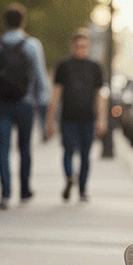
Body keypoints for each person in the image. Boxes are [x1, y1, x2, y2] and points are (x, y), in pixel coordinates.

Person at [0, 3, 50, 210]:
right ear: (23, 21)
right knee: (24, 149)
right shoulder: (32, 45)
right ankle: (24, 190)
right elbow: (40, 77)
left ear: (5, 21)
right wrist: (43, 107)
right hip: (25, 104)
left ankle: (5, 194)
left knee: (2, 149)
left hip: (1, 104)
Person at [46, 30, 107, 202]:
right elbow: (56, 94)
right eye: (77, 45)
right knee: (67, 150)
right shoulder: (63, 66)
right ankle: (69, 177)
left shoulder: (95, 67)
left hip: (88, 118)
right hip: (68, 118)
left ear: (88, 47)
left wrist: (102, 120)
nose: (80, 49)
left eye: (84, 46)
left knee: (86, 155)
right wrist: (50, 120)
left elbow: (99, 96)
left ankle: (82, 189)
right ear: (72, 46)